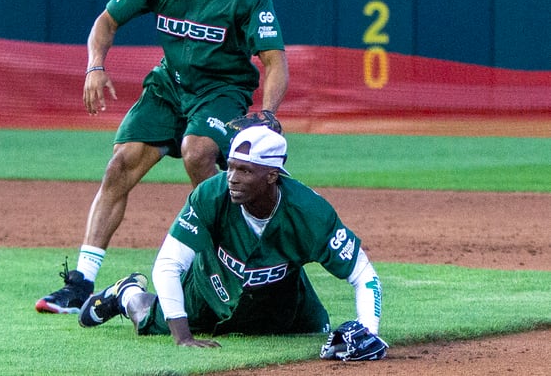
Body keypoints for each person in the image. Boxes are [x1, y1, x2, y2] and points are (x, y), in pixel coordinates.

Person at [35, 0, 289, 314]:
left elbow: (275, 62)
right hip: (169, 85)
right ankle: (81, 282)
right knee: (121, 164)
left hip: (221, 90)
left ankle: (230, 265)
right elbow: (106, 21)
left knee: (198, 152)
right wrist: (95, 66)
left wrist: (269, 113)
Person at [77, 125, 386, 356]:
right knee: (146, 316)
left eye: (245, 170)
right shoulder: (211, 195)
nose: (232, 177)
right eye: (232, 166)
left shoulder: (310, 213)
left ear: (272, 175)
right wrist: (183, 336)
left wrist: (369, 331)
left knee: (315, 332)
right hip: (207, 292)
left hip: (284, 308)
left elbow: (364, 275)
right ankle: (126, 292)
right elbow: (168, 265)